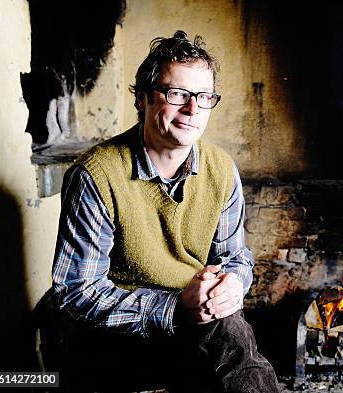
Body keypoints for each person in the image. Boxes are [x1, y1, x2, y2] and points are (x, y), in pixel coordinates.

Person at [50, 30, 280, 392]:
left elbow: (235, 258)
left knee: (228, 329)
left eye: (203, 97)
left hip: (194, 328)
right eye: (177, 94)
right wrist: (175, 309)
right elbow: (78, 291)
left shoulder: (221, 170)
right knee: (228, 337)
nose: (192, 110)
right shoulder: (97, 175)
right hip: (113, 338)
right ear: (143, 99)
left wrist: (232, 285)